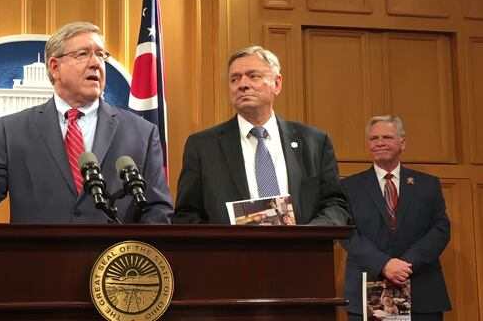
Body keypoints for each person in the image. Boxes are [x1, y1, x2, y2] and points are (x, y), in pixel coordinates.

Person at [0, 21, 173, 224]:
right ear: (54, 67)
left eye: (101, 55)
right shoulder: (14, 130)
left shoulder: (141, 132)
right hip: (38, 274)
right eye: (83, 54)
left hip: (115, 282)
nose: (96, 64)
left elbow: (158, 209)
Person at [173, 45, 349, 225]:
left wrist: (308, 237)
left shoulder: (314, 142)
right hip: (229, 252)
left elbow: (335, 205)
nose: (242, 85)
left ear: (277, 84)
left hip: (302, 251)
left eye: (253, 76)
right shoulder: (203, 146)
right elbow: (186, 215)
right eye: (234, 79)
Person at [340, 115, 451, 321]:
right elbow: (346, 233)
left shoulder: (428, 184)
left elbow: (440, 229)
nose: (379, 143)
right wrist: (384, 264)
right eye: (373, 139)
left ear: (403, 142)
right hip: (367, 292)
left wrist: (405, 265)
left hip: (421, 290)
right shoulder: (348, 188)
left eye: (387, 137)